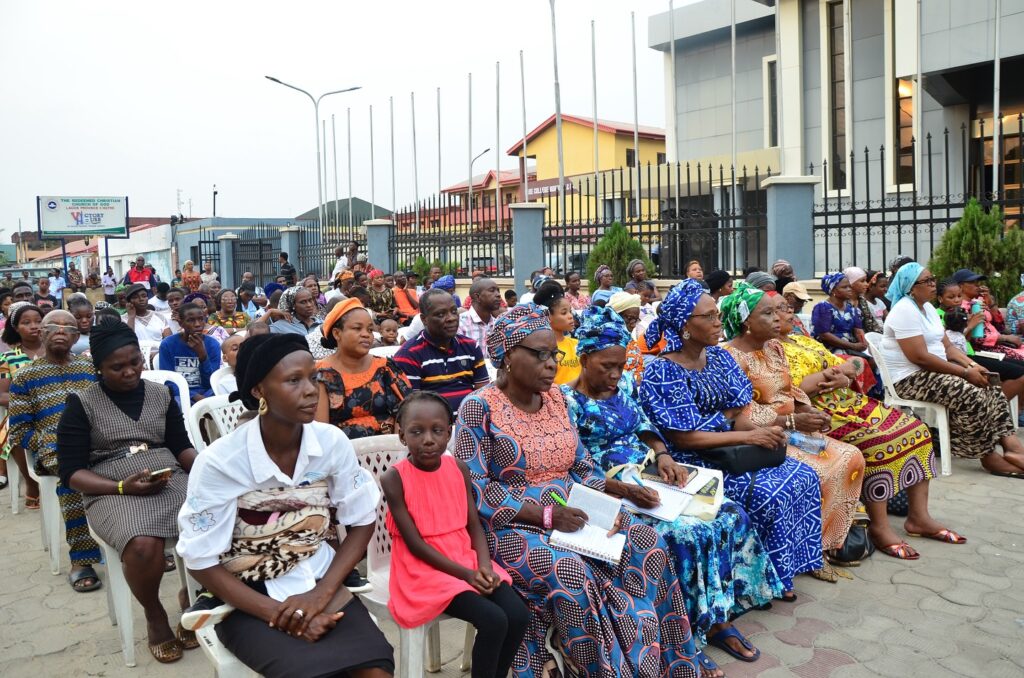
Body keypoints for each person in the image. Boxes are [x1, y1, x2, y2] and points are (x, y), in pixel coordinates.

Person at [454, 303, 701, 677]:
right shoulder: (479, 408)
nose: (551, 365)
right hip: (511, 526)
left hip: (574, 513)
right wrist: (548, 516)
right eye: (539, 355)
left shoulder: (555, 399)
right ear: (506, 356)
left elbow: (582, 467)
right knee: (571, 572)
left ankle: (662, 665)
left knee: (648, 543)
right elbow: (475, 491)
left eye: (553, 354)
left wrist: (611, 501)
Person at [563, 305, 780, 670]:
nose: (615, 374)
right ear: (584, 359)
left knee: (728, 513)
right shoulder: (567, 401)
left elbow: (644, 426)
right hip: (608, 486)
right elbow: (576, 465)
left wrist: (663, 455)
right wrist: (624, 489)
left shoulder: (624, 384)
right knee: (682, 534)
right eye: (607, 366)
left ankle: (718, 617)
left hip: (648, 472)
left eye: (621, 365)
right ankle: (687, 632)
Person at [176, 333, 395, 677]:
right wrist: (285, 616)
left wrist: (320, 594)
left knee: (376, 670)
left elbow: (362, 520)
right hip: (248, 595)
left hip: (321, 579)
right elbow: (200, 560)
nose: (311, 390)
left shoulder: (330, 442)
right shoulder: (222, 462)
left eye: (313, 377)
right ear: (259, 391)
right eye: (293, 380)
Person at [638, 280, 824, 600]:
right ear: (685, 325)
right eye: (709, 316)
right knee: (767, 493)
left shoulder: (719, 358)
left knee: (804, 474)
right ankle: (758, 580)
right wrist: (747, 433)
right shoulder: (663, 371)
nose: (718, 322)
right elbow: (685, 438)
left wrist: (759, 432)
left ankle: (783, 569)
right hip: (697, 460)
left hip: (732, 446)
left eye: (718, 315)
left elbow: (738, 411)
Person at [58, 317, 198, 663]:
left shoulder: (160, 393)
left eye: (135, 362)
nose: (130, 371)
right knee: (142, 544)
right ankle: (154, 614)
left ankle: (194, 597)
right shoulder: (81, 404)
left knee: (213, 518)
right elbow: (71, 473)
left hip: (167, 474)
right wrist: (121, 487)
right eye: (117, 367)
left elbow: (181, 446)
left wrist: (208, 470)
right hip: (110, 487)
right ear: (99, 368)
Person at [773, 294, 956, 559]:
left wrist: (843, 375)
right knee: (878, 442)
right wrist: (829, 375)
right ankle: (879, 526)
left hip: (848, 401)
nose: (789, 311)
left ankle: (918, 517)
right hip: (817, 412)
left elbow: (853, 364)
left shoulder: (802, 340)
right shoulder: (769, 351)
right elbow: (791, 392)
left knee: (917, 430)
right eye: (779, 309)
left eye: (787, 307)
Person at [721, 284, 865, 580]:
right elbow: (740, 414)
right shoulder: (730, 357)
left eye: (777, 311)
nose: (778, 318)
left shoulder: (774, 347)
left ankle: (826, 544)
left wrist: (807, 410)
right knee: (819, 470)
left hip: (794, 425)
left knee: (851, 457)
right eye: (767, 313)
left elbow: (790, 389)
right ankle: (808, 553)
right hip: (766, 434)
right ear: (747, 321)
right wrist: (791, 422)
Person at [383, 391, 529, 678]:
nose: (428, 439)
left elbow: (473, 525)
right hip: (423, 570)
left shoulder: (458, 468)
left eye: (437, 431)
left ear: (449, 433)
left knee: (517, 615)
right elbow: (414, 544)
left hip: (465, 558)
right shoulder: (394, 478)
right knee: (493, 620)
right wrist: (466, 575)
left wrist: (484, 567)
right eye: (416, 431)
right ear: (401, 435)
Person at [881, 263, 1024, 477]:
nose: (933, 284)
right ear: (911, 287)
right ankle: (988, 457)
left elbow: (948, 347)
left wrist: (972, 365)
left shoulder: (927, 309)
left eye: (933, 278)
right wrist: (964, 373)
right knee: (970, 392)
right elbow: (920, 358)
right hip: (909, 379)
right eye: (927, 281)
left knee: (990, 384)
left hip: (932, 373)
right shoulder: (904, 311)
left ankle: (1013, 447)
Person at [10, 310, 103, 591]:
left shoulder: (90, 369)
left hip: (98, 444)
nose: (61, 331)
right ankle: (82, 559)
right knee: (72, 478)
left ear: (76, 337)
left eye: (69, 328)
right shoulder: (25, 377)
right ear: (43, 333)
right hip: (54, 451)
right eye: (53, 326)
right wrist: (50, 441)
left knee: (131, 465)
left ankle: (134, 541)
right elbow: (19, 431)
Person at [314, 299, 412, 438]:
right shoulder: (321, 375)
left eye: (370, 330)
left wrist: (397, 444)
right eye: (357, 328)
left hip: (391, 447)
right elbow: (321, 433)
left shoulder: (385, 367)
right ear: (337, 333)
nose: (366, 334)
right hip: (343, 449)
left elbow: (406, 412)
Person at [394, 289, 488, 411]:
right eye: (440, 314)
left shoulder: (471, 346)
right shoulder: (409, 354)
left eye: (454, 311)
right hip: (431, 421)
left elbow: (484, 394)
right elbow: (411, 407)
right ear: (424, 319)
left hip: (471, 419)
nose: (451, 318)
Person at [1, 302, 46, 508]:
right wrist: (28, 402)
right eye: (26, 322)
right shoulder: (8, 358)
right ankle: (31, 482)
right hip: (23, 413)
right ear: (16, 328)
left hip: (56, 410)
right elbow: (1, 394)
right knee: (15, 429)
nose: (34, 326)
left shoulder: (56, 352)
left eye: (38, 321)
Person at [953, 268, 1024, 361]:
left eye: (977, 282)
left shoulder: (978, 303)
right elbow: (976, 338)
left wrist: (990, 303)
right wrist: (1005, 338)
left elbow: (1000, 327)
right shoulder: (961, 308)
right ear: (960, 286)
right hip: (984, 350)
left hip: (1000, 345)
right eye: (972, 282)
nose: (977, 285)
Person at [159, 302, 221, 402]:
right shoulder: (168, 344)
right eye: (191, 320)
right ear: (181, 323)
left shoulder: (213, 344)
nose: (197, 324)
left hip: (207, 392)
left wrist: (203, 356)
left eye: (201, 319)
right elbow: (168, 380)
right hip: (179, 393)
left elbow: (211, 382)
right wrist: (192, 395)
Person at [533, 281, 579, 385]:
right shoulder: (543, 350)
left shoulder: (577, 344)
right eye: (564, 312)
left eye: (570, 311)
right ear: (548, 316)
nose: (570, 316)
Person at [606, 291, 646, 382]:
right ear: (615, 316)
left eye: (636, 319)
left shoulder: (629, 339)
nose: (633, 324)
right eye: (629, 318)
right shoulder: (606, 344)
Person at [458, 277, 502, 350]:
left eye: (498, 291)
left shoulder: (498, 324)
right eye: (492, 290)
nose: (498, 295)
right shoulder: (460, 324)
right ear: (477, 297)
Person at [844, 266, 883, 334]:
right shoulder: (842, 302)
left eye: (865, 280)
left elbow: (871, 323)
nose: (866, 284)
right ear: (851, 283)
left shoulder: (862, 300)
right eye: (862, 281)